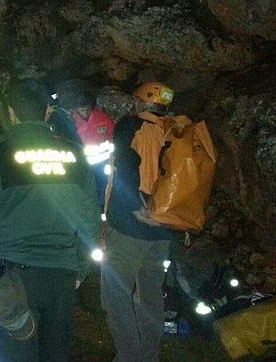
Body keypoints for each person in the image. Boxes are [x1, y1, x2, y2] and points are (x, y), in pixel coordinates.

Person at [0, 79, 101, 362]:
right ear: (48, 111)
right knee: (55, 354)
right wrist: (80, 268)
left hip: (15, 279)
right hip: (61, 276)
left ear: (11, 112)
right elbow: (90, 220)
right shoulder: (75, 156)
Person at [100, 81, 180, 362]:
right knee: (151, 295)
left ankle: (129, 357)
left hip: (133, 226)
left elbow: (125, 168)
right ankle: (149, 355)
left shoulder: (131, 127)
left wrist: (135, 208)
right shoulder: (176, 130)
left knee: (115, 293)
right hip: (164, 226)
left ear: (141, 102)